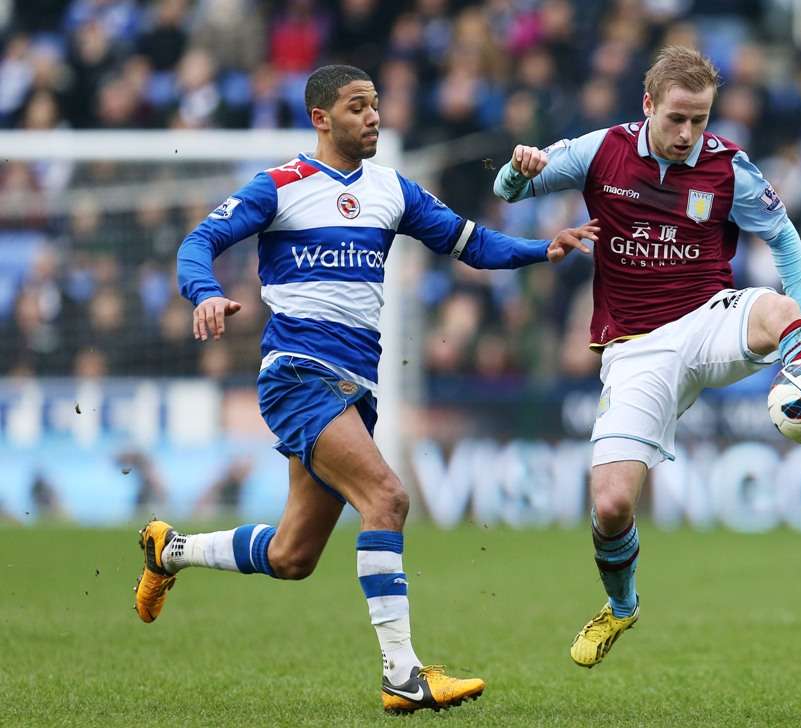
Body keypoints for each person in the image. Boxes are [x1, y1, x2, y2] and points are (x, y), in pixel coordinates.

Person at [134, 64, 598, 713]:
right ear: (322, 119)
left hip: (353, 387)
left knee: (294, 554)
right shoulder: (281, 186)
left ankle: (171, 549)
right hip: (297, 373)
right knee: (388, 496)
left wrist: (540, 249)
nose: (373, 117)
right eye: (357, 107)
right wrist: (206, 292)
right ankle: (402, 675)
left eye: (376, 105)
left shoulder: (392, 191)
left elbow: (469, 242)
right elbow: (200, 240)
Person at [492, 46, 801, 668]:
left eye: (700, 120)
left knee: (773, 310)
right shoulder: (601, 151)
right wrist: (519, 170)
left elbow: (784, 238)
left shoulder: (729, 168)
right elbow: (509, 190)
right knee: (610, 505)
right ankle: (622, 606)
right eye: (677, 118)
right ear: (648, 105)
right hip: (635, 349)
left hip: (708, 318)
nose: (688, 134)